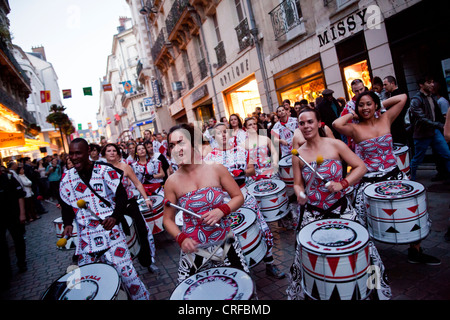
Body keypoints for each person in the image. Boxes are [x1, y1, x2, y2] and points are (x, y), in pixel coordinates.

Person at [287, 108, 393, 300]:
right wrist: (300, 193)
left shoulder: (335, 145)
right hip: (312, 213)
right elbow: (297, 183)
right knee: (307, 257)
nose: (306, 126)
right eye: (302, 123)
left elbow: (361, 167)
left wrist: (342, 183)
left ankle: (372, 291)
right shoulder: (298, 154)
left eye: (310, 121)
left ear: (319, 123)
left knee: (365, 251)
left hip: (340, 208)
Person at [333, 91, 441, 265]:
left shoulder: (386, 119)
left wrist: (379, 105)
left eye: (369, 104)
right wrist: (352, 114)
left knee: (413, 209)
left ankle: (415, 250)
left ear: (376, 105)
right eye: (361, 105)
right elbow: (336, 123)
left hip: (394, 175)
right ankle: (369, 260)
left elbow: (402, 98)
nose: (365, 108)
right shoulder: (354, 128)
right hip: (369, 180)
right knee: (360, 217)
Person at [59, 138, 150, 300]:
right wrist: (67, 223)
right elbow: (66, 204)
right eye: (71, 154)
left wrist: (115, 216)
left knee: (127, 275)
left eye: (78, 153)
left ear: (88, 152)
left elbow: (122, 196)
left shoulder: (104, 170)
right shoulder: (67, 178)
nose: (74, 157)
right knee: (92, 281)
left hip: (111, 233)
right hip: (86, 239)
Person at [163, 123, 250, 283]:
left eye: (181, 142)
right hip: (194, 250)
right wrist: (181, 238)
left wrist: (222, 210)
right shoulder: (171, 182)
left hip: (226, 244)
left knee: (242, 289)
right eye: (172, 145)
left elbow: (238, 196)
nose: (176, 149)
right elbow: (167, 219)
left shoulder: (216, 169)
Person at [204, 122, 286, 279]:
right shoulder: (209, 158)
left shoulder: (242, 150)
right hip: (225, 200)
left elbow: (252, 170)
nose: (223, 135)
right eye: (219, 133)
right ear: (214, 136)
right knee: (234, 237)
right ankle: (241, 270)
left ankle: (270, 263)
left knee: (262, 229)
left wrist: (239, 172)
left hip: (244, 195)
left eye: (225, 132)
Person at [102, 143, 159, 274]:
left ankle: (147, 262)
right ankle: (126, 268)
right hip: (113, 210)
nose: (111, 153)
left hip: (130, 205)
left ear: (118, 153)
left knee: (141, 232)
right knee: (120, 238)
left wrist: (146, 198)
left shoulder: (125, 167)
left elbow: (137, 183)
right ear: (104, 154)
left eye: (114, 151)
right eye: (108, 151)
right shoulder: (101, 170)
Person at [409, 75, 450, 182]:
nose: (432, 84)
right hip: (423, 133)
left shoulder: (431, 97)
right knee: (417, 159)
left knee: (447, 154)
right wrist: (439, 125)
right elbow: (422, 118)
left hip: (434, 131)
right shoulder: (416, 100)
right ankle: (411, 180)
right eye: (428, 82)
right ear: (421, 85)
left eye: (432, 82)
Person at [0, 166, 27, 290]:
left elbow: (20, 196)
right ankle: (6, 273)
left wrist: (22, 213)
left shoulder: (9, 178)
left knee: (18, 239)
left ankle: (21, 262)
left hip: (13, 215)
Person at [382, 75, 408, 145]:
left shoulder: (399, 95)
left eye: (385, 84)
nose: (384, 87)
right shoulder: (391, 94)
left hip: (399, 129)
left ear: (392, 83)